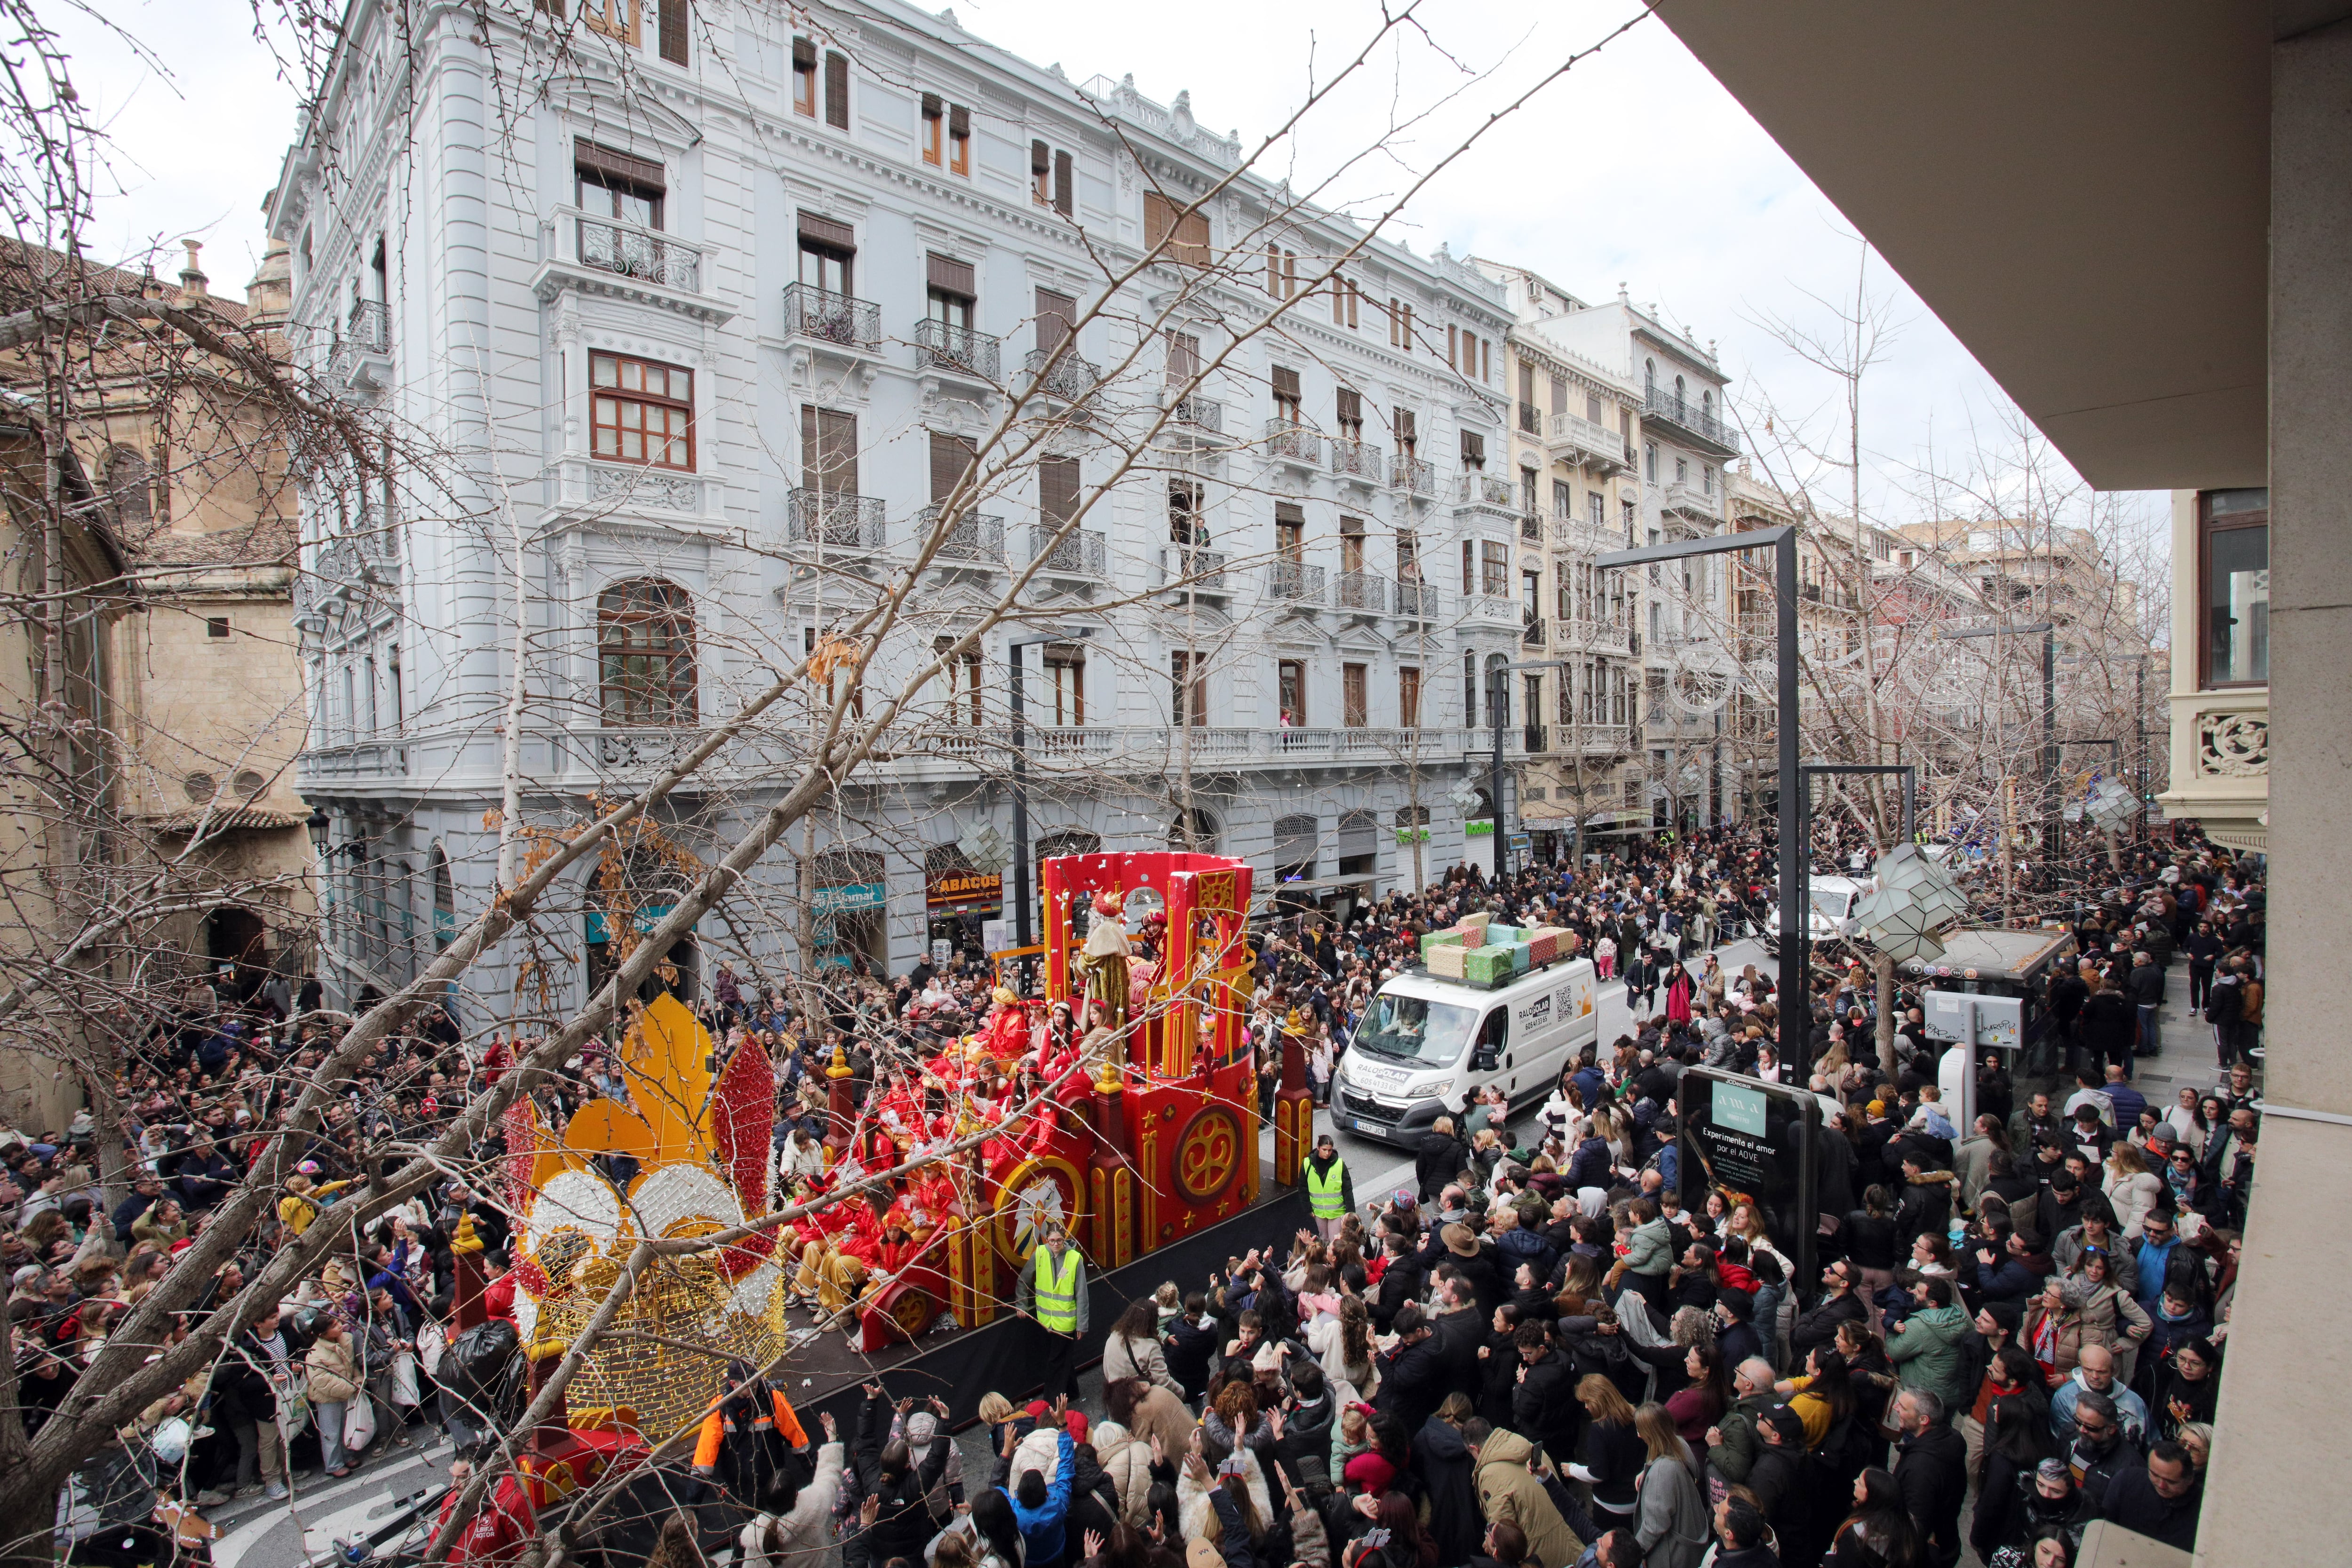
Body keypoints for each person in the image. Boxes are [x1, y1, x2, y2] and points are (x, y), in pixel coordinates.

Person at [1889, 1389, 1966, 1568]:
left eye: (1903, 1407)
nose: (1895, 1408)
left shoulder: (1921, 1469)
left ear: (1924, 1420)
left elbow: (1916, 1524)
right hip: (1948, 1541)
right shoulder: (1950, 1438)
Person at [1629, 1402, 1708, 1568]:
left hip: (1673, 1555)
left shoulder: (1662, 1471)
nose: (1638, 1435)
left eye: (1640, 1430)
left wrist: (1638, 1552)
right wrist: (1648, 1471)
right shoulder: (1680, 1443)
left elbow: (1655, 1525)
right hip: (1692, 1537)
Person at [1016, 1224, 1088, 1402]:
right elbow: (1023, 1280)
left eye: (1059, 1241)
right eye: (1052, 1241)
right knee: (1062, 1360)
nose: (1055, 1245)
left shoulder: (1075, 1259)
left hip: (1066, 1322)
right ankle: (1072, 1392)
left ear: (1065, 1239)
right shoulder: (1040, 1254)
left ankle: (1051, 1403)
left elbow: (1082, 1294)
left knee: (1055, 1363)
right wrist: (1021, 1305)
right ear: (1046, 1240)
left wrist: (1082, 1324)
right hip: (1045, 1320)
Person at [2097, 1441, 2201, 1552]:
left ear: (2190, 1479)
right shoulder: (2126, 1481)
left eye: (2171, 1482)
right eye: (2154, 1475)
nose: (2162, 1486)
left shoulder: (2203, 1509)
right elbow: (2105, 1525)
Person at [1305, 1135, 1356, 1243]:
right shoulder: (1307, 1164)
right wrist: (1308, 1209)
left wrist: (1350, 1213)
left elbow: (1348, 1190)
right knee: (1323, 1240)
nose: (1327, 1153)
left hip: (1337, 1212)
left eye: (1330, 1150)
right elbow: (1303, 1187)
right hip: (1319, 1212)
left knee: (1335, 1241)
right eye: (1324, 1150)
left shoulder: (1339, 1165)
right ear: (1318, 1147)